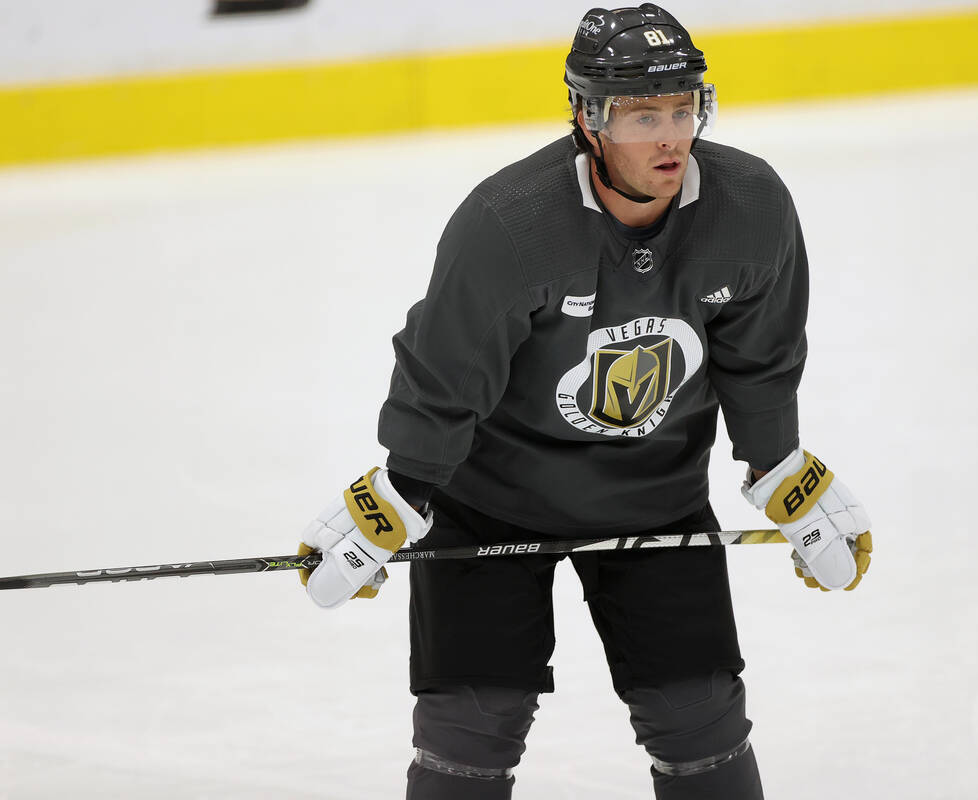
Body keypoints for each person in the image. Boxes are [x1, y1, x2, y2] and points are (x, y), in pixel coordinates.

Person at [296, 4, 874, 799]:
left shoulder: (751, 206)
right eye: (644, 115)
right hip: (490, 502)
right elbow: (448, 367)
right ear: (588, 118)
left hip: (656, 498)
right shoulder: (511, 224)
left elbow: (762, 356)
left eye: (683, 109)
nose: (672, 136)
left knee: (700, 716)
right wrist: (399, 492)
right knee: (471, 729)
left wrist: (781, 469)